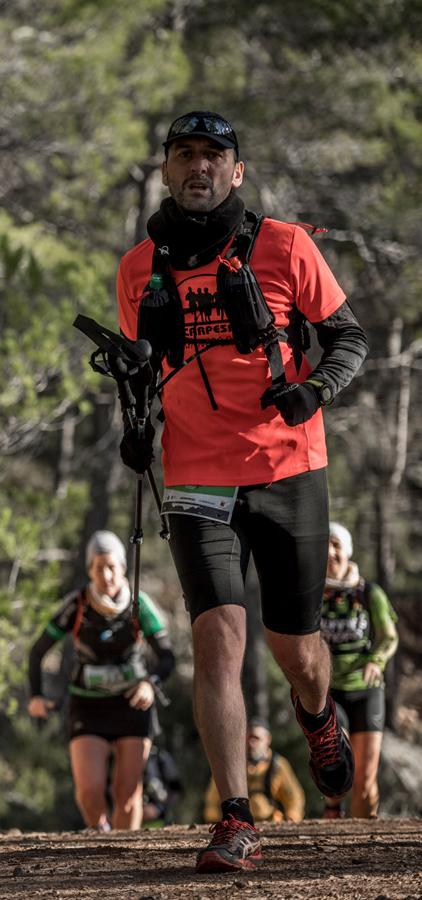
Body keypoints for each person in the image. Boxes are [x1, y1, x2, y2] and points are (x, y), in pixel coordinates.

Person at [117, 110, 369, 872]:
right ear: (166, 169)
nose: (199, 167)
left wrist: (314, 390)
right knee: (217, 639)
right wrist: (136, 424)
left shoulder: (287, 246)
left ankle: (318, 713)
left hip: (289, 467)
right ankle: (235, 817)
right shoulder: (139, 268)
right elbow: (142, 371)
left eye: (213, 156)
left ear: (237, 171)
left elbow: (349, 338)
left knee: (295, 648)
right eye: (184, 155)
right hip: (196, 472)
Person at [28, 530, 176, 831]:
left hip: (132, 705)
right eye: (99, 568)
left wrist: (150, 683)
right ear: (89, 570)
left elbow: (167, 658)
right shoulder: (78, 604)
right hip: (88, 704)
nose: (106, 575)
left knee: (127, 793)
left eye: (112, 567)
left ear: (123, 568)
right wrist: (35, 695)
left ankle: (125, 855)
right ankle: (100, 838)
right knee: (89, 791)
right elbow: (37, 651)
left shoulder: (139, 605)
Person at [321, 521, 399, 819]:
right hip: (329, 691)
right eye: (325, 545)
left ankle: (365, 839)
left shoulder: (369, 593)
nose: (330, 552)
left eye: (336, 545)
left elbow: (389, 636)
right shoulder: (312, 595)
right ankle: (332, 813)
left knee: (365, 780)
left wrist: (376, 661)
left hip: (366, 691)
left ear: (347, 551)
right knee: (335, 763)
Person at [203, 718, 305, 824]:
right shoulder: (232, 765)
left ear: (267, 739)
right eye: (248, 738)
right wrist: (213, 818)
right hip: (238, 825)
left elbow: (294, 796)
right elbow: (213, 795)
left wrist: (293, 815)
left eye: (256, 738)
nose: (251, 742)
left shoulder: (278, 764)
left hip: (271, 822)